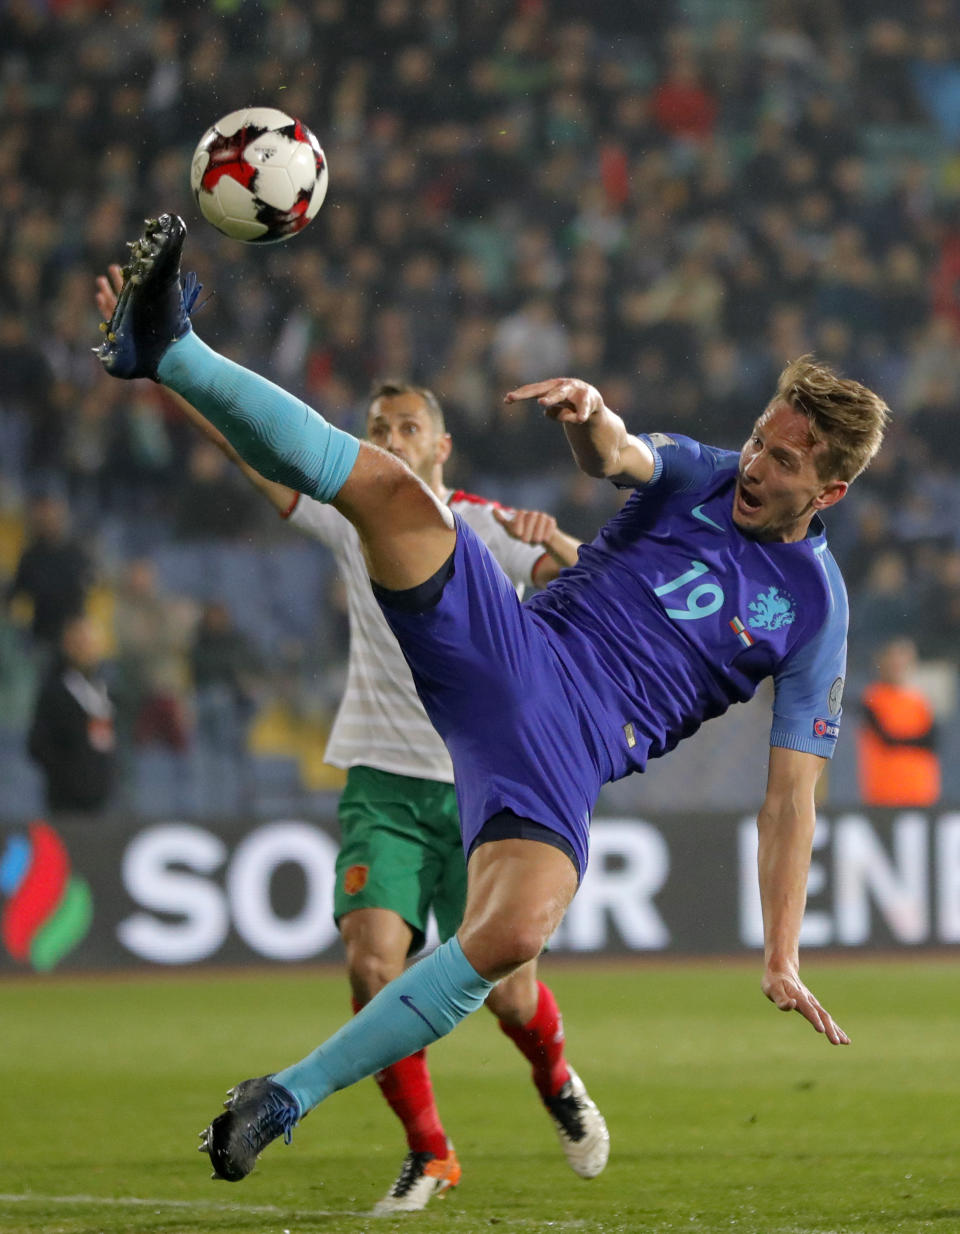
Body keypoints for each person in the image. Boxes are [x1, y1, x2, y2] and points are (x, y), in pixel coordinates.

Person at [97, 215, 889, 1188]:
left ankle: (283, 1096)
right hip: (519, 650)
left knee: (514, 937)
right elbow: (618, 457)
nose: (757, 468)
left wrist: (781, 952)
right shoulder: (700, 470)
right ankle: (170, 348)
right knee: (395, 498)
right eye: (760, 441)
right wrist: (593, 415)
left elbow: (791, 799)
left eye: (784, 463)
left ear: (833, 489)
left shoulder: (816, 613)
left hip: (571, 752)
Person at [95, 256, 605, 1209]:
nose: (390, 439)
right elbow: (263, 451)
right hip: (380, 778)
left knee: (509, 993)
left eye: (406, 427)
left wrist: (561, 544)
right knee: (375, 965)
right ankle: (430, 1153)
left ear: (443, 445)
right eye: (377, 429)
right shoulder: (351, 522)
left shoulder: (486, 530)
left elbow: (581, 606)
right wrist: (172, 367)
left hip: (481, 791)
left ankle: (555, 1082)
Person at [27, 613, 116, 816]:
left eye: (91, 643)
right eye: (81, 643)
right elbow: (36, 745)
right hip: (65, 802)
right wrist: (67, 775)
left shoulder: (103, 688)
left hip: (103, 798)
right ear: (67, 645)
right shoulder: (55, 690)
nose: (87, 649)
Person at [856, 636, 940, 807]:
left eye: (902, 658)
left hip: (921, 792)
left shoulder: (921, 701)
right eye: (892, 658)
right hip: (884, 794)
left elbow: (932, 740)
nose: (897, 664)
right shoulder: (872, 699)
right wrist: (915, 740)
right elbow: (887, 739)